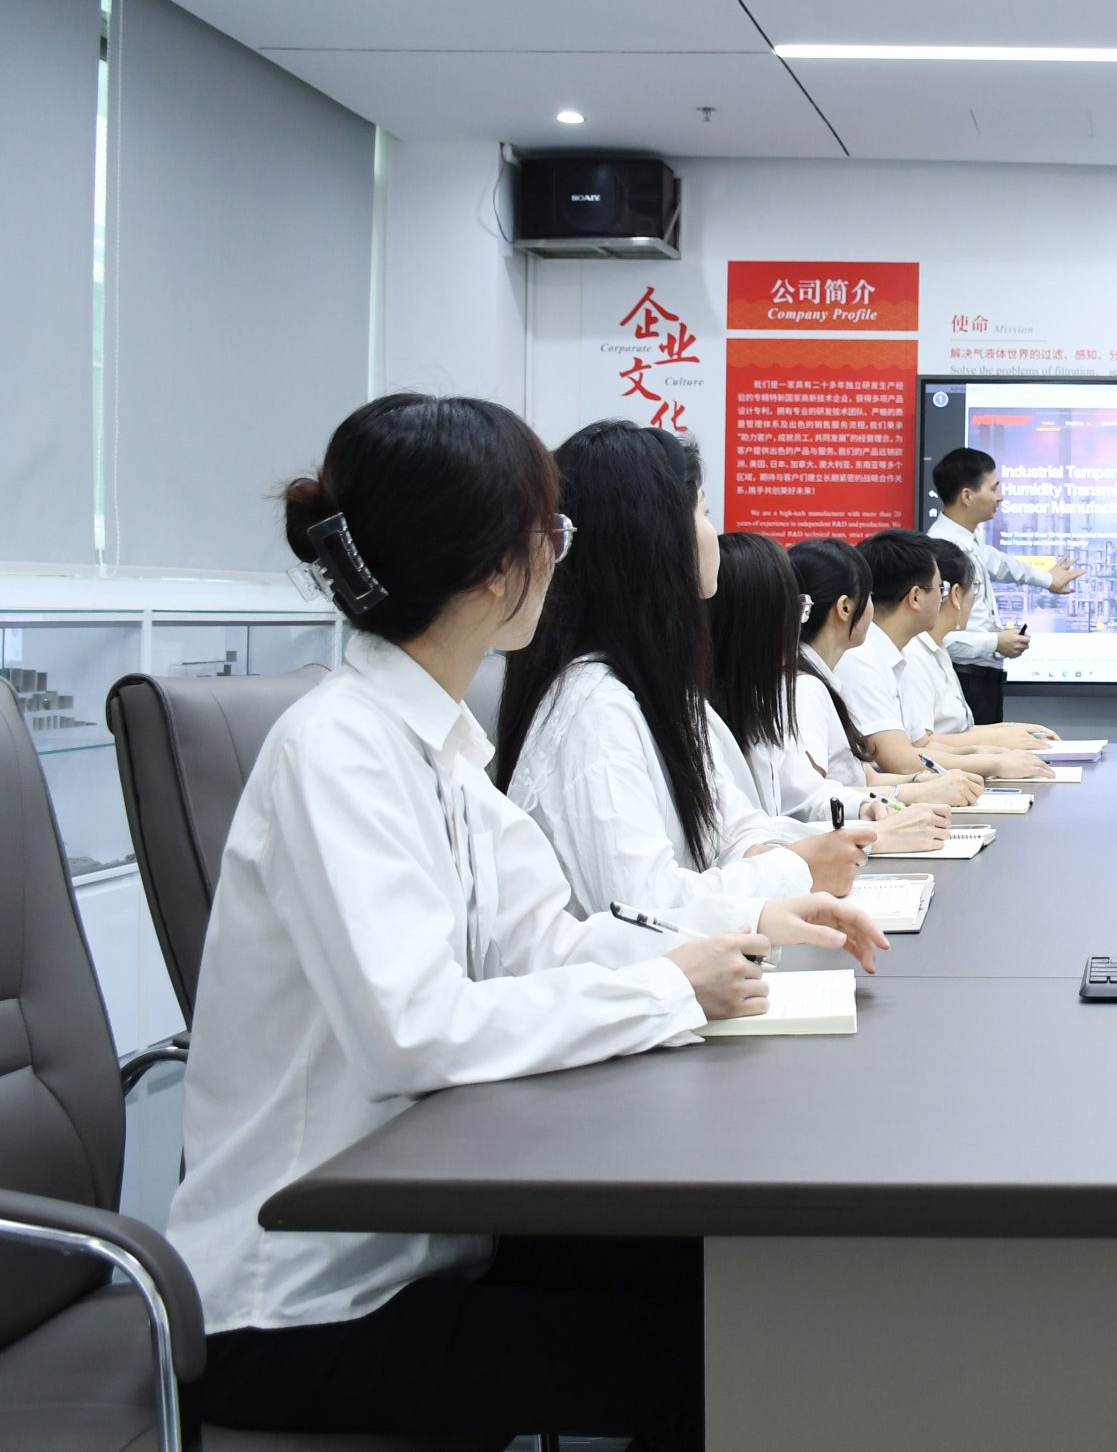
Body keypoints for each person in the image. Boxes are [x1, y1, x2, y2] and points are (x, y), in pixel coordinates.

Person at [171, 394, 883, 1449]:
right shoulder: (339, 750)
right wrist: (668, 986)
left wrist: (714, 955)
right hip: (301, 1295)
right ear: (495, 569)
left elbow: (548, 940)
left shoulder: (440, 747)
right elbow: (413, 1031)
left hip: (424, 1238)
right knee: (726, 1355)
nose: (561, 555)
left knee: (744, 1287)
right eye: (550, 530)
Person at [496, 420, 878, 918]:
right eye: (703, 512)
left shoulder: (656, 690)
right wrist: (794, 869)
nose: (712, 532)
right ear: (658, 537)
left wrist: (774, 857)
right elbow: (643, 909)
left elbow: (732, 825)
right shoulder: (595, 707)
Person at [707, 530, 952, 852]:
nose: (798, 620)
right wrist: (874, 832)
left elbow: (806, 796)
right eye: (794, 605)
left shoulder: (763, 692)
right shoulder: (800, 688)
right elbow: (778, 819)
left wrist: (867, 809)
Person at [837, 527, 1056, 780]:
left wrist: (982, 751)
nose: (943, 598)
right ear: (916, 597)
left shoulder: (894, 653)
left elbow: (921, 744)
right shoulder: (863, 658)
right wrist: (993, 762)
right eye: (939, 588)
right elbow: (900, 761)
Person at [787, 536, 983, 809]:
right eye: (868, 596)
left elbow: (864, 776)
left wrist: (923, 783)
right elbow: (813, 800)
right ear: (845, 608)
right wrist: (918, 790)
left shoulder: (823, 676)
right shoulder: (811, 686)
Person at [925, 445, 1084, 726]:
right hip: (964, 677)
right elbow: (936, 638)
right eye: (994, 488)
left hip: (981, 680)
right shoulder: (943, 551)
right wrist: (996, 642)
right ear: (967, 496)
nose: (1000, 496)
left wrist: (1048, 579)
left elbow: (1001, 564)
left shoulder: (967, 542)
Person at [908, 534, 1061, 750]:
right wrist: (998, 746)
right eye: (975, 587)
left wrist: (1012, 729)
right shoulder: (913, 655)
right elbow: (922, 745)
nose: (974, 597)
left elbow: (960, 730)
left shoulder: (937, 649)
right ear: (955, 594)